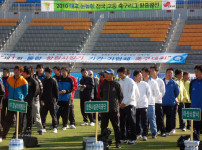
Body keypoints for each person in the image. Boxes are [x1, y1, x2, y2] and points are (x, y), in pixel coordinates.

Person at [2, 65, 28, 139]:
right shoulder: (9, 79)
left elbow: (25, 92)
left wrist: (21, 97)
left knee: (19, 120)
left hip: (19, 102)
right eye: (15, 70)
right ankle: (4, 135)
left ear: (20, 72)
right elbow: (7, 87)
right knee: (8, 119)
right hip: (11, 102)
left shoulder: (24, 81)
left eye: (17, 70)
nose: (16, 71)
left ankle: (18, 134)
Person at [99, 69, 123, 148]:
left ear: (112, 75)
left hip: (114, 109)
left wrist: (117, 106)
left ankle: (118, 142)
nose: (106, 75)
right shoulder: (102, 84)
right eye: (105, 73)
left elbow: (120, 97)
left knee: (116, 126)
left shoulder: (116, 84)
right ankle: (103, 142)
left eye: (108, 74)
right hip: (104, 109)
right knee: (103, 126)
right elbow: (101, 95)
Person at [117, 67, 140, 145]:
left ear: (125, 73)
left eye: (121, 73)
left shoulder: (130, 81)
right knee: (122, 122)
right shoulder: (119, 82)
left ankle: (133, 139)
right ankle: (123, 138)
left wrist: (125, 103)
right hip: (122, 105)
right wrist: (120, 103)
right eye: (119, 73)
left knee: (131, 122)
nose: (119, 75)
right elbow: (119, 95)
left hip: (130, 104)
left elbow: (132, 94)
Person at [142, 67, 160, 139]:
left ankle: (154, 132)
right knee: (142, 119)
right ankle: (142, 132)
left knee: (151, 118)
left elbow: (157, 93)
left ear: (147, 73)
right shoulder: (140, 81)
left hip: (150, 103)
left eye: (143, 72)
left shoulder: (153, 82)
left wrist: (151, 98)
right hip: (142, 103)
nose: (142, 74)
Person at [40, 67, 59, 133]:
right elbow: (41, 91)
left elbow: (56, 91)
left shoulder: (53, 80)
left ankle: (55, 127)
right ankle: (43, 127)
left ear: (50, 73)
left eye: (47, 72)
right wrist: (41, 99)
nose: (45, 73)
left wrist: (56, 100)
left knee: (53, 114)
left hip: (52, 100)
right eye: (45, 72)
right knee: (43, 115)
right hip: (44, 100)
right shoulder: (43, 80)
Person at [134, 70, 151, 141]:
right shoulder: (133, 84)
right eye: (139, 76)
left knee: (144, 120)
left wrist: (146, 101)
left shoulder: (145, 84)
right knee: (137, 120)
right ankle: (138, 133)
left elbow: (149, 94)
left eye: (141, 76)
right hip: (136, 105)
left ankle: (145, 134)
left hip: (143, 105)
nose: (141, 77)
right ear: (135, 77)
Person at [162, 68, 179, 136]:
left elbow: (177, 93)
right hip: (161, 103)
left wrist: (171, 97)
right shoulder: (161, 81)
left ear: (173, 74)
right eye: (168, 72)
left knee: (169, 118)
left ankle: (168, 130)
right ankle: (162, 130)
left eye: (171, 73)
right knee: (161, 118)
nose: (169, 74)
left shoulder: (174, 83)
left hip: (171, 103)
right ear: (166, 73)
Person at [150, 66, 166, 137]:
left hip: (158, 102)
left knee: (159, 117)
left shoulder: (160, 81)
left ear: (156, 72)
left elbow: (163, 92)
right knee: (149, 118)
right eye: (150, 71)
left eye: (152, 71)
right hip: (150, 102)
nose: (151, 72)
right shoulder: (147, 81)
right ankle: (146, 132)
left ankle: (162, 131)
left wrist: (158, 98)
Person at [22, 66, 39, 135]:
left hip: (29, 100)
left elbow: (37, 91)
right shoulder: (22, 80)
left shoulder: (33, 81)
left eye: (23, 72)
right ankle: (21, 130)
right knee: (22, 116)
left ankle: (29, 129)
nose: (22, 74)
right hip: (22, 100)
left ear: (27, 73)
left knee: (29, 116)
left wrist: (30, 97)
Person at [30, 66, 44, 135]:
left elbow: (41, 91)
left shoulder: (37, 80)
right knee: (26, 117)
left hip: (35, 100)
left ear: (32, 72)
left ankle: (40, 129)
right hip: (27, 101)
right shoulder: (24, 80)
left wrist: (38, 98)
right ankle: (27, 129)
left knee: (36, 115)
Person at [190, 65, 202, 141]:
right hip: (195, 109)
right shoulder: (192, 82)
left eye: (197, 71)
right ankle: (195, 143)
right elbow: (190, 94)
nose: (195, 73)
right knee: (195, 128)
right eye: (195, 71)